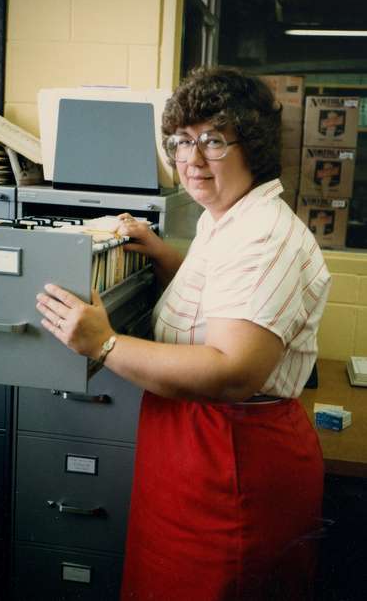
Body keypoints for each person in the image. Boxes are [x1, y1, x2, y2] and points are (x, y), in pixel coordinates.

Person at [36, 66, 331, 601]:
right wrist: (166, 258)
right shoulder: (225, 218)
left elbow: (232, 371)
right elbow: (219, 302)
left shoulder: (264, 237)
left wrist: (105, 344)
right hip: (190, 454)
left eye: (213, 141)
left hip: (231, 465)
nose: (192, 159)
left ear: (253, 146)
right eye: (180, 141)